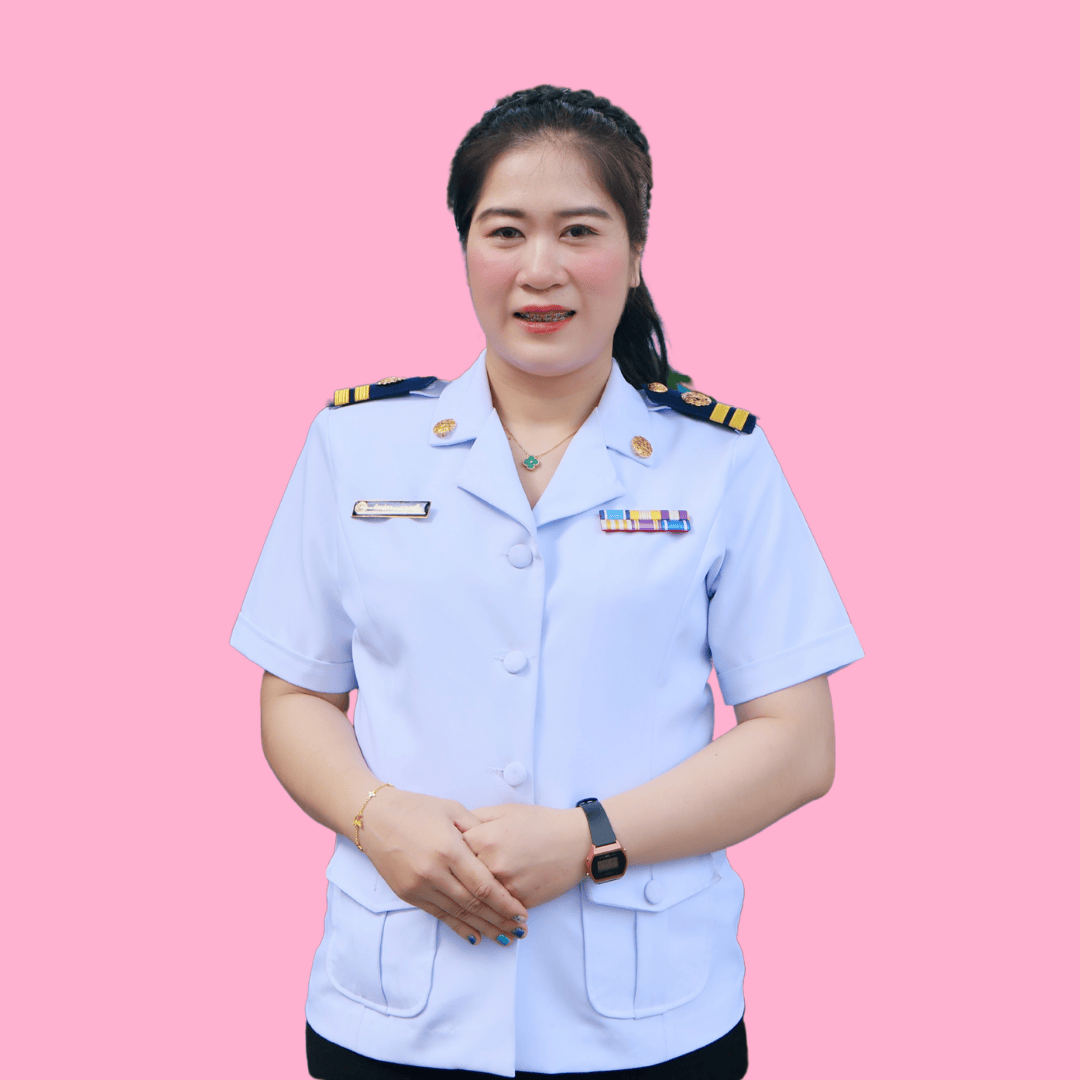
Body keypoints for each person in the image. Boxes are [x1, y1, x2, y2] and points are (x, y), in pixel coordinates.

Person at [231, 85, 863, 1080]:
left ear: (636, 251)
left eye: (579, 230)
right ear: (464, 248)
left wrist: (587, 840)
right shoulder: (356, 448)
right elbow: (295, 692)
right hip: (395, 1009)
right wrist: (375, 815)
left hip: (646, 1020)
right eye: (505, 231)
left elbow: (797, 744)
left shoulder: (719, 464)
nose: (540, 269)